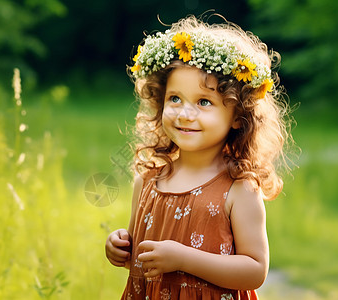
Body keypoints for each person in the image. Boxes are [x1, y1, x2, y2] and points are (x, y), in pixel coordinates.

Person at [105, 15, 292, 300]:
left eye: (204, 102)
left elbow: (255, 269)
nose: (185, 113)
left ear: (238, 117)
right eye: (175, 98)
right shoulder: (149, 179)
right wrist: (121, 247)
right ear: (160, 100)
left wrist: (183, 259)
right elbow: (141, 258)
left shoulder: (238, 188)